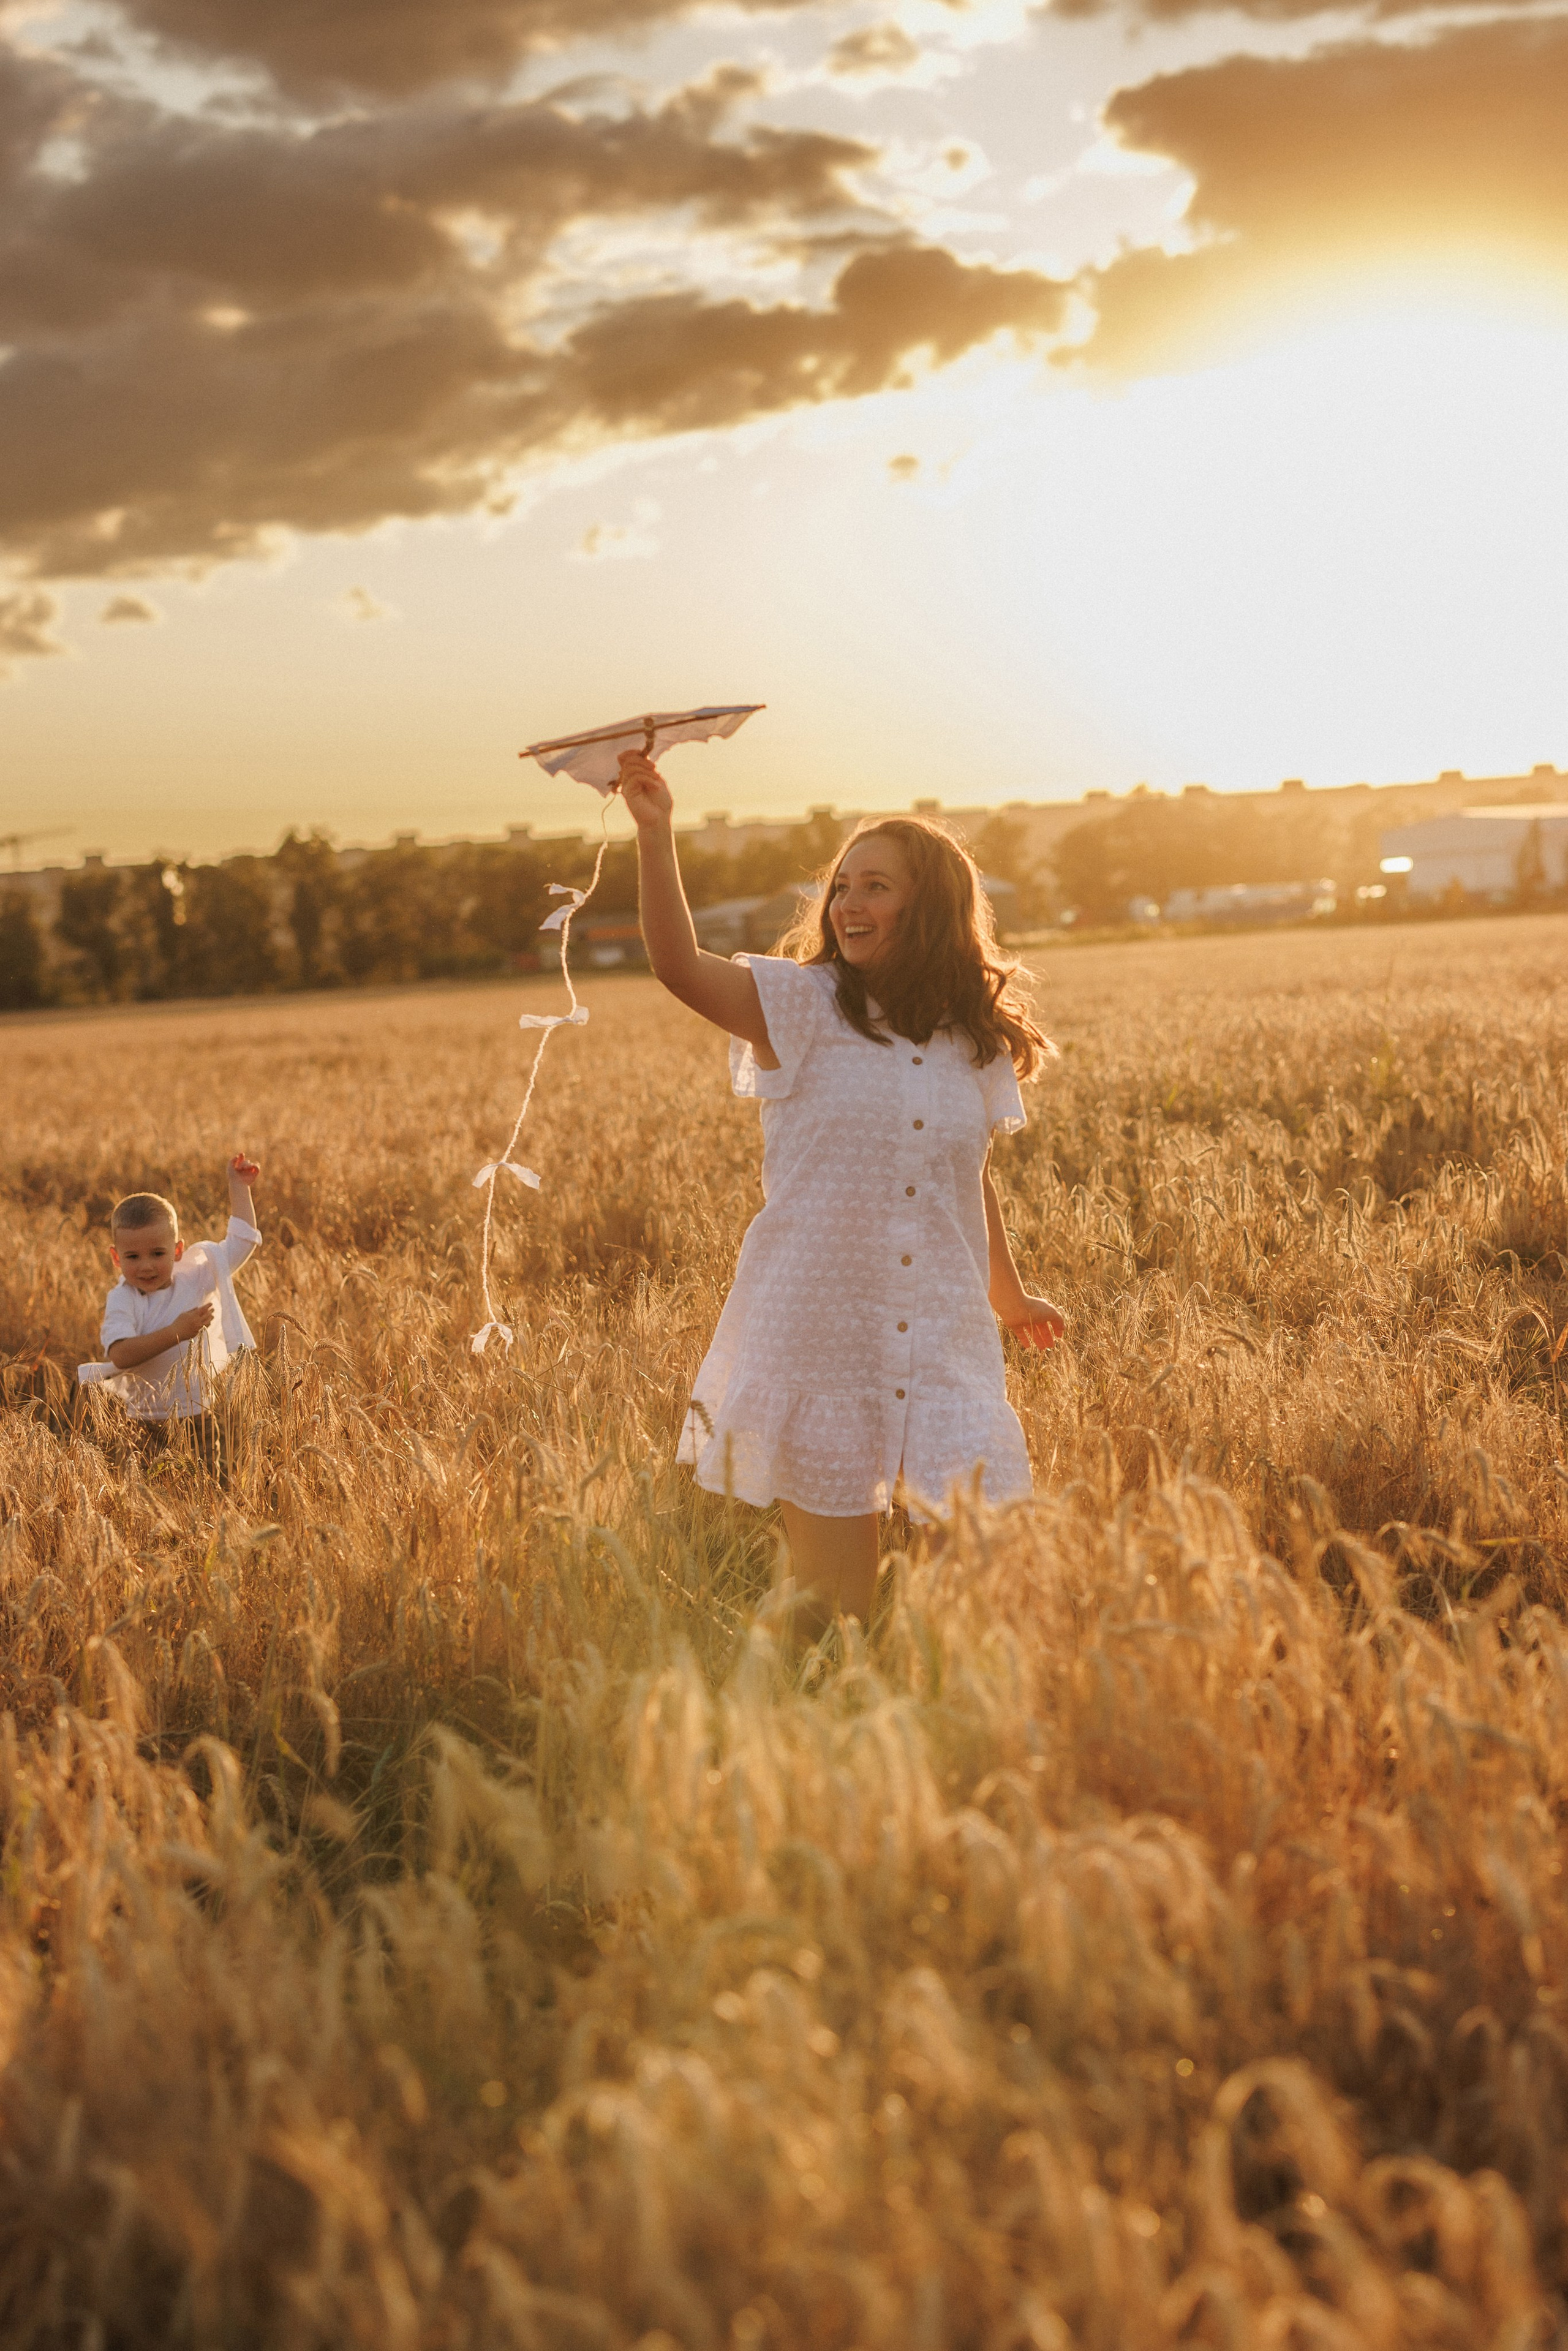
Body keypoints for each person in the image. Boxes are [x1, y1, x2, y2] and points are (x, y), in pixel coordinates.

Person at [620, 747, 1065, 1634]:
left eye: (876, 887)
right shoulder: (802, 1005)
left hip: (944, 1338)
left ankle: (929, 1750)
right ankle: (812, 1743)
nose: (849, 905)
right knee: (835, 1609)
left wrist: (1009, 1298)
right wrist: (657, 832)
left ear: (928, 905)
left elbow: (966, 1179)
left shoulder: (969, 1041)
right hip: (821, 1332)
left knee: (956, 1608)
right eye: (843, 887)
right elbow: (678, 966)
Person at [77, 1153, 262, 1477]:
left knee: (208, 1488)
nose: (146, 1265)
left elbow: (242, 1243)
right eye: (133, 1256)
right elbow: (120, 1354)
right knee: (152, 1495)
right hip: (143, 1422)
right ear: (115, 1258)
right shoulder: (122, 1299)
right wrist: (177, 1331)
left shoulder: (195, 1277)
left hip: (198, 1417)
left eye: (158, 1254)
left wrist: (238, 1187)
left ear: (177, 1251)